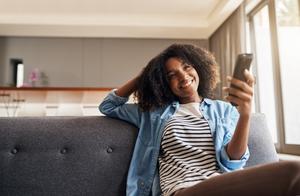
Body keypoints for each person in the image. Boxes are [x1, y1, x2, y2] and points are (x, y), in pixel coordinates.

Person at [99, 44, 300, 196]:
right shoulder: (152, 113)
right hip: (181, 190)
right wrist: (146, 74)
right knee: (293, 171)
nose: (183, 76)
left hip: (220, 185)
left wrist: (245, 114)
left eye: (187, 67)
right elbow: (108, 106)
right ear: (163, 82)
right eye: (171, 75)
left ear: (199, 69)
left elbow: (232, 163)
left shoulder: (223, 110)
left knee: (293, 174)